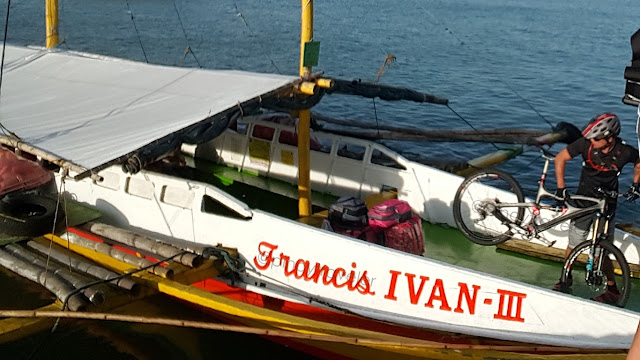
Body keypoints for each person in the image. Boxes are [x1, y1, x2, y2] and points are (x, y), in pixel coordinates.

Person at [553, 113, 640, 304]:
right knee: (574, 243)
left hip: (607, 205)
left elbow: (638, 161)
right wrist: (561, 188)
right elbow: (560, 158)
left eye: (597, 138)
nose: (592, 141)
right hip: (584, 202)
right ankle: (564, 279)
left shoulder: (624, 151)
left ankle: (612, 288)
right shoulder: (585, 145)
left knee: (603, 250)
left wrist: (635, 184)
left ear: (610, 138)